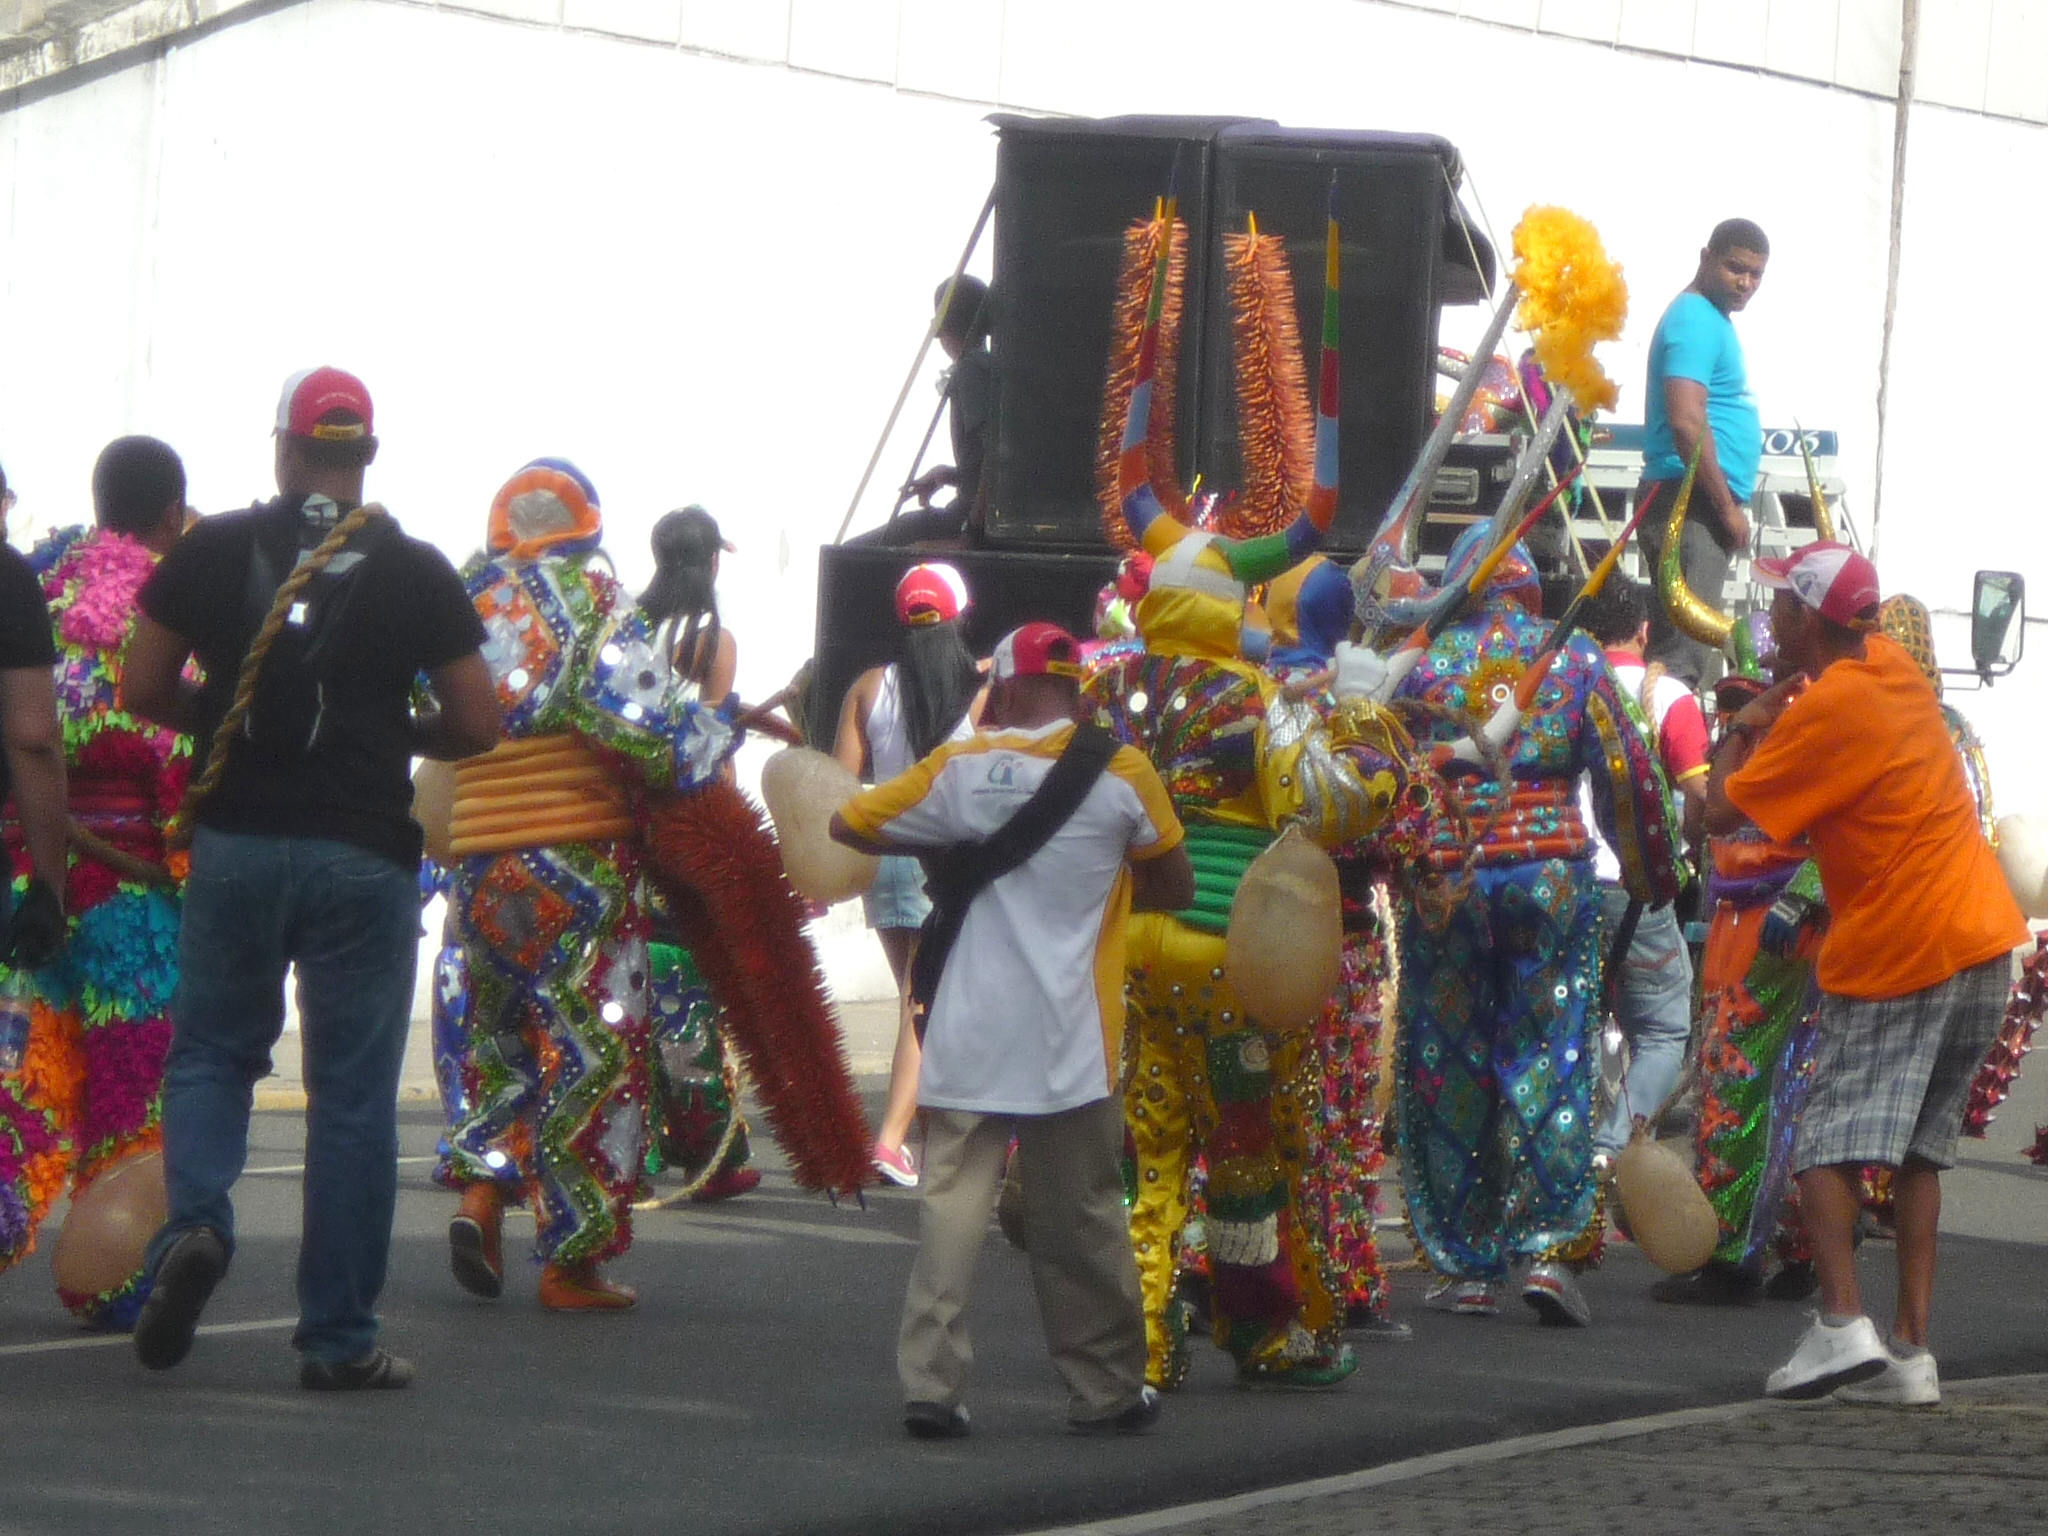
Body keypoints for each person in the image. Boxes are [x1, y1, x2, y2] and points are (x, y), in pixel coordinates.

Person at [120, 366, 502, 1389]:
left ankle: (196, 1224)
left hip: (240, 847)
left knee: (209, 1057)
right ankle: (336, 1339)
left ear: (284, 448)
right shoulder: (415, 568)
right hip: (361, 857)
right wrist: (392, 729)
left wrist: (231, 722)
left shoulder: (210, 550)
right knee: (349, 1103)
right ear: (364, 453)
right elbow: (477, 723)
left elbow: (141, 683)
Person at [830, 621, 1192, 1440]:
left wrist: (945, 850)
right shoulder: (1122, 773)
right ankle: (1103, 1389)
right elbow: (1174, 881)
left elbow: (847, 825)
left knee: (951, 1211)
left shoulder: (957, 770)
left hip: (966, 1026)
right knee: (1084, 1219)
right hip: (1074, 1035)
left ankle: (932, 1383)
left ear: (1007, 687)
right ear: (1073, 689)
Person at [1706, 541, 2030, 1405]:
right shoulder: (1890, 667)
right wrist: (1790, 694)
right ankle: (1914, 1356)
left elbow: (1717, 808)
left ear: (1805, 618)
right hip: (1982, 942)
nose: (1766, 615)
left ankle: (1841, 1326)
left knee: (1823, 1142)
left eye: (1778, 602)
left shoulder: (1829, 708)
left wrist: (1744, 722)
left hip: (1903, 949)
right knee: (1921, 1152)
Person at [1385, 525, 1682, 1330]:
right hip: (1549, 875)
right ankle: (1548, 1248)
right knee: (1549, 1057)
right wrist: (1654, 871)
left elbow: (1384, 768)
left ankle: (1469, 1263)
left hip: (1450, 878)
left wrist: (1392, 861)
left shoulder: (1425, 657)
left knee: (1450, 1062)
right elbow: (1626, 769)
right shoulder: (1575, 655)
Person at [0, 437, 191, 1326]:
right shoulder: (166, 605)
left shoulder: (38, 580)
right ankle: (109, 1280)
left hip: (29, 875)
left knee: (23, 1080)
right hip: (130, 897)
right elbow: (181, 753)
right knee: (130, 1086)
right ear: (169, 515)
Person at [832, 562, 984, 1188]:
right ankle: (891, 1139)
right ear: (958, 616)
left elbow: (844, 780)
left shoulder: (868, 686)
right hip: (946, 852)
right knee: (923, 1004)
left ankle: (924, 1131)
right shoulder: (979, 688)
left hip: (883, 851)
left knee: (921, 996)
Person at [636, 505, 757, 1203]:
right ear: (712, 563)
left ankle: (634, 1143)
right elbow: (708, 749)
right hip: (687, 824)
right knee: (689, 985)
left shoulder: (626, 628)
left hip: (625, 820)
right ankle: (708, 1147)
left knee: (626, 977)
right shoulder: (713, 640)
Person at [1580, 576, 1707, 1168]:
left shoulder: (1557, 687)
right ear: (1645, 630)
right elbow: (1701, 798)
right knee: (1660, 1032)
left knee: (1570, 1026)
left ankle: (1558, 1152)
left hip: (1559, 879)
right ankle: (1610, 1150)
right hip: (1636, 888)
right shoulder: (1673, 699)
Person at [1637, 218, 1769, 685]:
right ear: (1706, 257)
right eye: (1736, 268)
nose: (1746, 283)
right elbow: (1687, 423)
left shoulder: (1712, 321)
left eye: (1756, 275)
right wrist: (1727, 508)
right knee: (1682, 657)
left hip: (1695, 501)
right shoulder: (1694, 319)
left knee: (1690, 651)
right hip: (1687, 503)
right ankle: (1666, 754)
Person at [864, 275, 994, 547]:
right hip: (971, 514)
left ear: (942, 326)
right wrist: (951, 474)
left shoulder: (971, 372)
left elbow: (997, 458)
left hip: (970, 521)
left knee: (853, 557)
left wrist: (969, 536)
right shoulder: (983, 367)